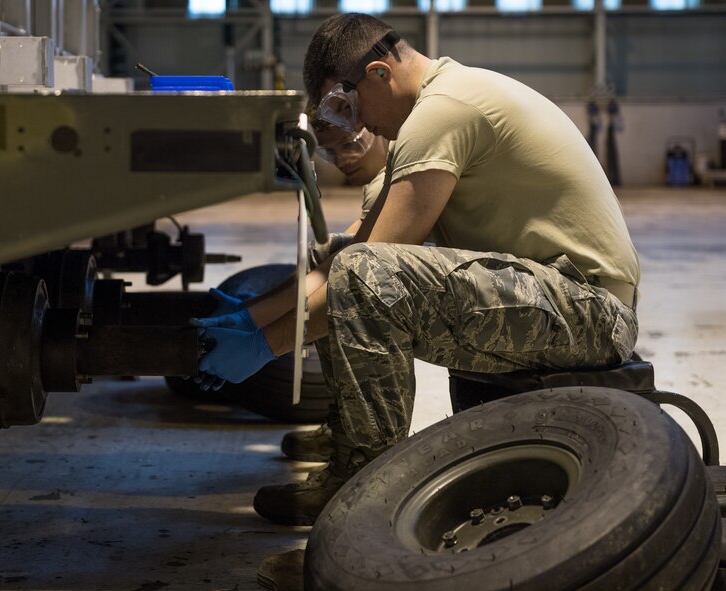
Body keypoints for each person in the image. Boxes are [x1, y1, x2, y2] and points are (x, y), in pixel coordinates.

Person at [193, 12, 640, 530]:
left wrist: (262, 347)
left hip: (588, 309)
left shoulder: (442, 111)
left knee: (365, 279)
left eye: (350, 107)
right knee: (354, 266)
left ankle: (364, 490)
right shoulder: (437, 110)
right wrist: (251, 319)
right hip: (549, 296)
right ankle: (347, 437)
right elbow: (343, 258)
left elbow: (361, 278)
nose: (356, 128)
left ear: (380, 73)